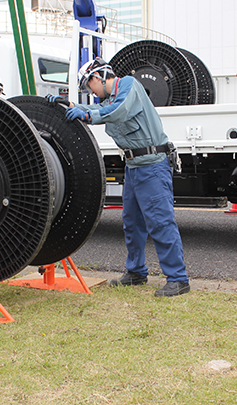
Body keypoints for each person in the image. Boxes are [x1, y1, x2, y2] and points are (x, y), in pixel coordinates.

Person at [47, 57, 190, 297]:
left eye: (88, 86)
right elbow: (97, 109)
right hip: (134, 166)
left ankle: (178, 278)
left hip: (153, 165)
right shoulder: (110, 100)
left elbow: (116, 111)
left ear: (97, 77)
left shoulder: (129, 86)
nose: (90, 92)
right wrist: (69, 104)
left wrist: (86, 115)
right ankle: (136, 272)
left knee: (160, 222)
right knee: (132, 222)